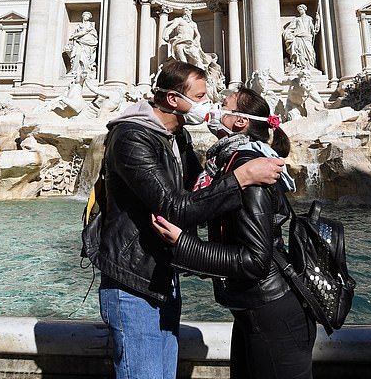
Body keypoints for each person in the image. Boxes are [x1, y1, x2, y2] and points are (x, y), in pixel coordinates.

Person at [91, 60, 285, 379]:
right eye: (200, 96)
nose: (206, 105)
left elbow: (199, 190)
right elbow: (175, 207)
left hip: (163, 274)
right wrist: (240, 178)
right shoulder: (132, 138)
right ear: (173, 100)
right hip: (132, 280)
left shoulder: (177, 135)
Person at [152, 87, 316, 379]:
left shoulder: (249, 168)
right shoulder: (228, 163)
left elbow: (255, 260)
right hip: (253, 310)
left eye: (222, 104)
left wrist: (184, 245)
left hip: (274, 313)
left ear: (240, 121)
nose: (214, 108)